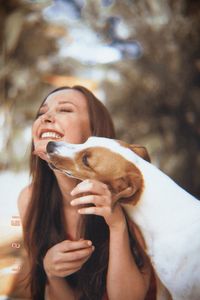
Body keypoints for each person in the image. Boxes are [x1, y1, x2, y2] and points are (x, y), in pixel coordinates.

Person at [18, 86, 156, 300]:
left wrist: (117, 224)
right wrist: (52, 273)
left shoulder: (131, 198)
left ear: (94, 134)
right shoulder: (29, 199)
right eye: (41, 112)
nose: (46, 117)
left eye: (64, 110)